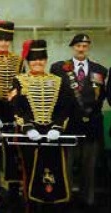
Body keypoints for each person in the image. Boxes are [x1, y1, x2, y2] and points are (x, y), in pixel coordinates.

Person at [11, 40, 72, 212]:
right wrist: (28, 127)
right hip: (30, 135)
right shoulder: (19, 80)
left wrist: (57, 127)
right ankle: (31, 207)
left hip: (53, 134)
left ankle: (52, 207)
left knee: (55, 171)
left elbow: (65, 106)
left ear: (46, 60)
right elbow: (16, 106)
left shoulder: (58, 81)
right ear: (28, 61)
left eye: (41, 59)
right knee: (30, 173)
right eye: (33, 59)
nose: (37, 62)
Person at [50, 34, 107, 210]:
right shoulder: (59, 68)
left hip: (91, 125)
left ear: (88, 47)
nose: (81, 49)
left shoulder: (100, 70)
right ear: (72, 47)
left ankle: (87, 201)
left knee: (89, 167)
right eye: (78, 46)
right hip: (69, 125)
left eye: (84, 45)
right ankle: (64, 198)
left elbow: (103, 95)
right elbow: (55, 96)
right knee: (66, 166)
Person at [0, 20, 24, 208]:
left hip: (13, 109)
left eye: (7, 39)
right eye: (0, 39)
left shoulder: (18, 60)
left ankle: (14, 188)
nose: (4, 43)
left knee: (14, 150)